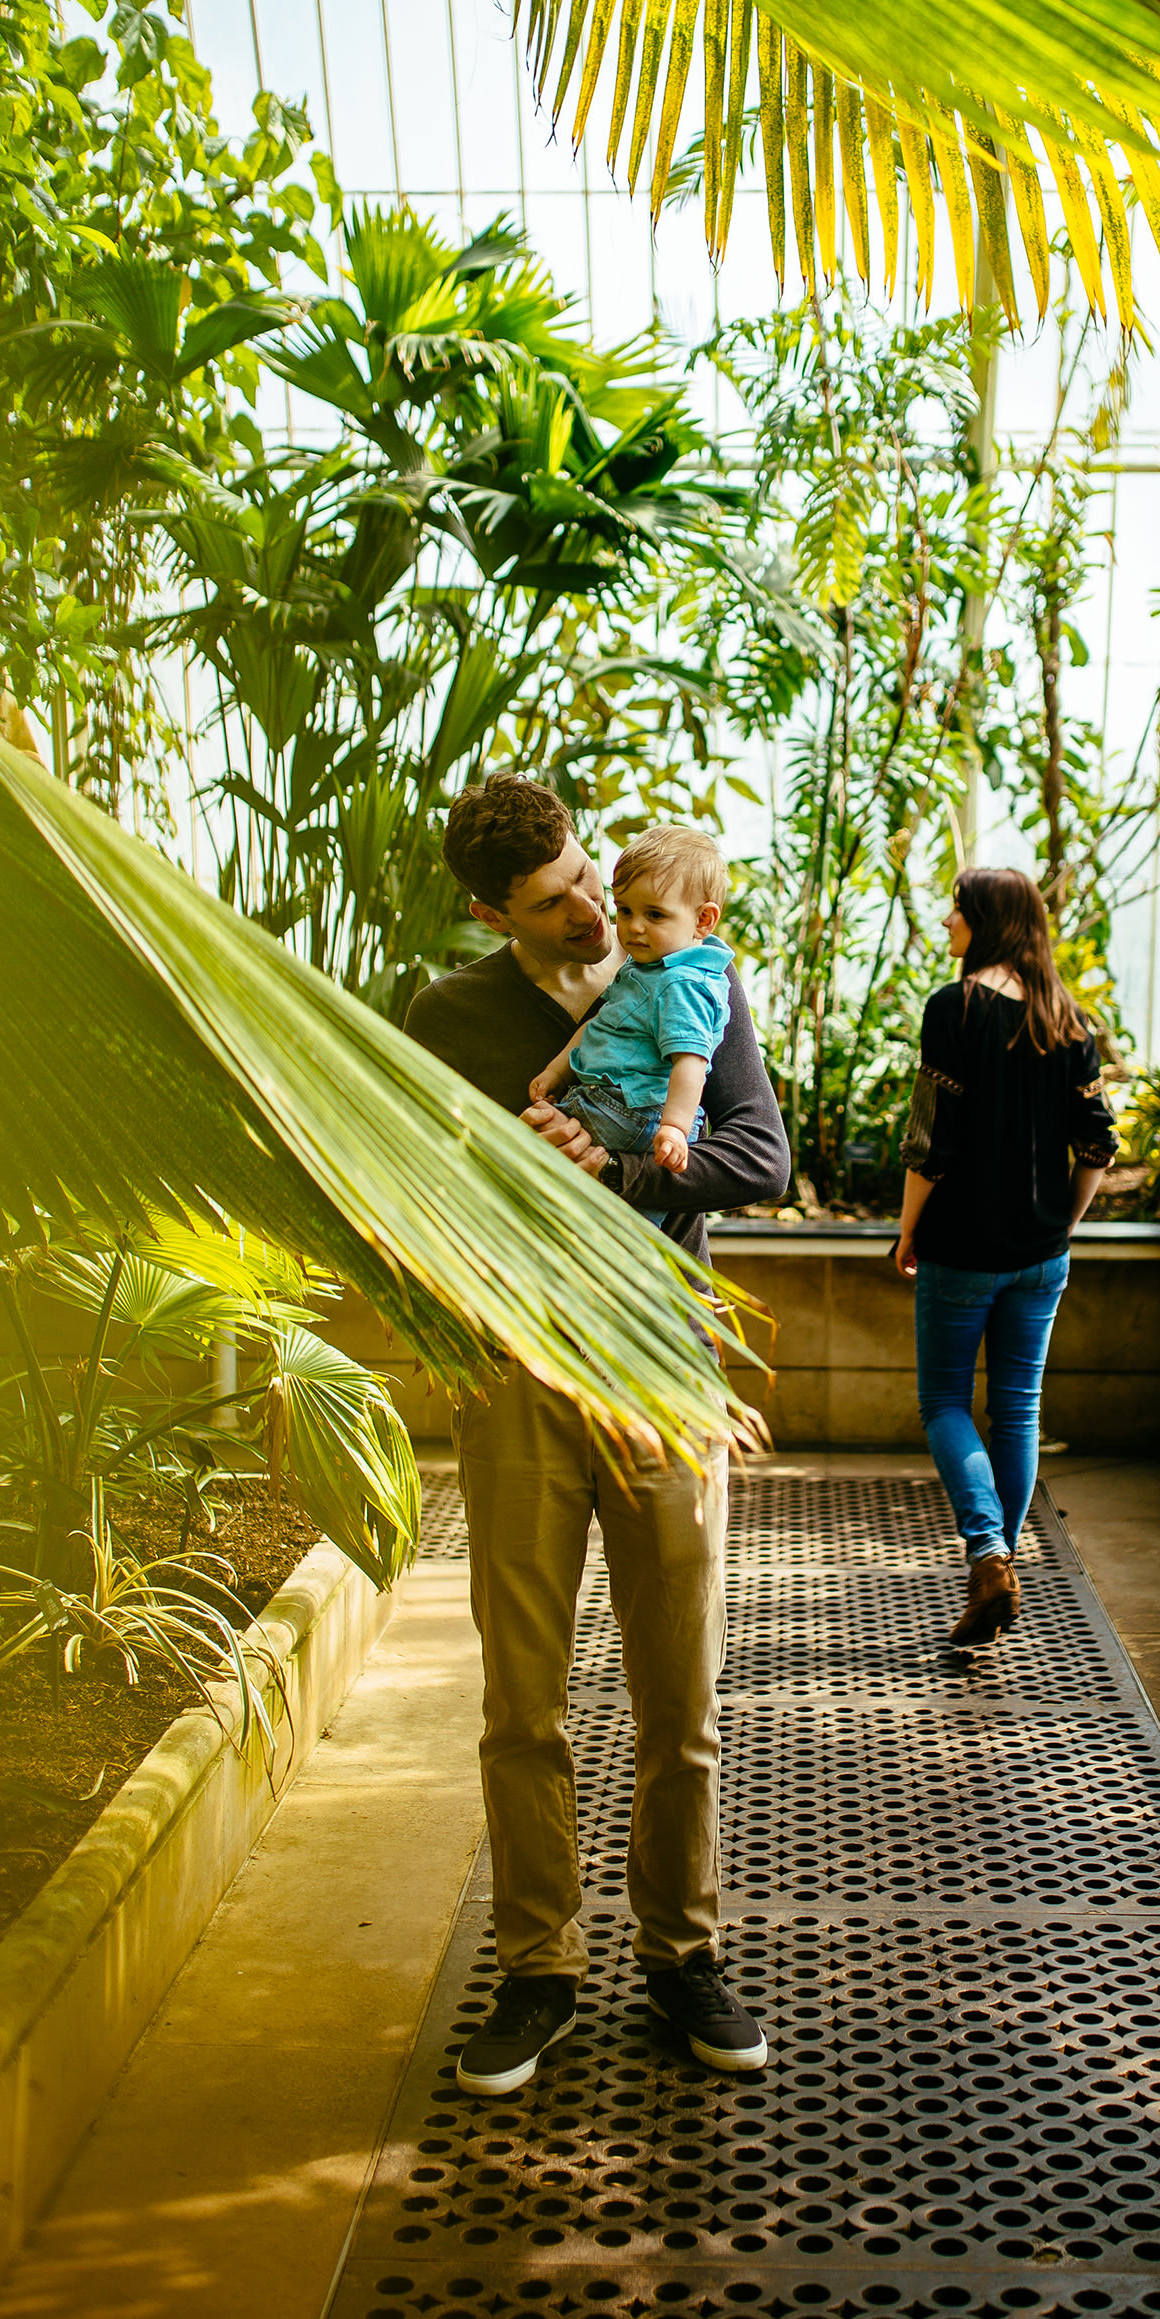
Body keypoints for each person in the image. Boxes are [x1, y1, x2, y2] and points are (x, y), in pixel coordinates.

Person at [404, 775, 790, 2097]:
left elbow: (761, 1156)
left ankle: (684, 1952)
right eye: (555, 901)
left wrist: (617, 1170)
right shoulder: (449, 1020)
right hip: (516, 1371)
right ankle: (538, 1968)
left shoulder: (688, 971)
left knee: (680, 1694)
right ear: (487, 912)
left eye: (586, 879)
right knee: (524, 1700)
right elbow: (416, 1196)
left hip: (664, 1368)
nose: (589, 912)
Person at [894, 867, 1116, 1647]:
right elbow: (1097, 1146)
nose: (946, 918)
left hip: (962, 1247)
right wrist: (1062, 1222)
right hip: (1040, 1254)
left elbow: (930, 1142)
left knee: (946, 1404)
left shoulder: (953, 1008)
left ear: (985, 920)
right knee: (1016, 1405)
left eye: (956, 907)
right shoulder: (1070, 1022)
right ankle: (1001, 1565)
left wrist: (908, 1230)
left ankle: (988, 1552)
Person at [529, 826, 733, 1189]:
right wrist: (557, 1071)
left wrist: (675, 1127)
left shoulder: (682, 983)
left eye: (654, 915)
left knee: (534, 1143)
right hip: (616, 1105)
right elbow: (599, 1026)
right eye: (624, 910)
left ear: (703, 920)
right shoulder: (647, 968)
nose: (633, 928)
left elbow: (691, 1061)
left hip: (632, 1111)